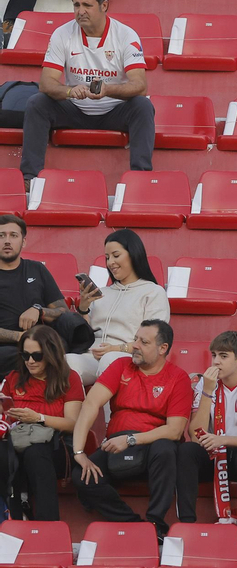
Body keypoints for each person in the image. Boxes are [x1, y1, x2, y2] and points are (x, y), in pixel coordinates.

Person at [21, 0, 156, 188]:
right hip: (74, 109)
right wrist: (70, 91)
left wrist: (107, 90)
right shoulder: (62, 33)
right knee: (37, 103)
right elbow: (46, 82)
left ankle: (141, 180)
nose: (80, 11)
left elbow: (140, 85)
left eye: (87, 5)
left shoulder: (126, 35)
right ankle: (29, 179)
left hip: (114, 110)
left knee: (143, 106)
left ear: (104, 6)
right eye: (76, 5)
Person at [69, 320, 188, 538]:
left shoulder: (178, 377)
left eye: (144, 342)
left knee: (165, 447)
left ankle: (156, 522)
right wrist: (79, 452)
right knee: (82, 476)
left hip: (153, 446)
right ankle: (133, 524)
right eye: (135, 339)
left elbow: (174, 431)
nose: (134, 345)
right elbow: (91, 404)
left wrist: (132, 439)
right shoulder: (122, 366)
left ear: (163, 349)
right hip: (117, 442)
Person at [176, 330, 237, 541]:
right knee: (186, 451)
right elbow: (195, 435)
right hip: (215, 454)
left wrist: (222, 440)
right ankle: (186, 525)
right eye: (213, 355)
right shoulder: (206, 383)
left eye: (223, 356)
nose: (216, 362)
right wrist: (207, 392)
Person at [63, 230, 169, 386]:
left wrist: (114, 348)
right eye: (107, 257)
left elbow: (153, 339)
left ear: (133, 254)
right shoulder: (101, 293)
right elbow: (85, 336)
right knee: (66, 361)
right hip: (93, 355)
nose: (110, 262)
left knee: (109, 361)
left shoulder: (153, 292)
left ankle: (108, 412)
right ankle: (71, 411)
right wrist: (84, 308)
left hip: (128, 356)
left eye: (116, 255)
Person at [0, 326, 81, 520]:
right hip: (17, 439)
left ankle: (48, 524)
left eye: (36, 355)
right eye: (25, 355)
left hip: (56, 444)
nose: (29, 361)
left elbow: (72, 424)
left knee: (35, 454)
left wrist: (38, 418)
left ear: (51, 353)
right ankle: (12, 520)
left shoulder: (68, 379)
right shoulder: (14, 377)